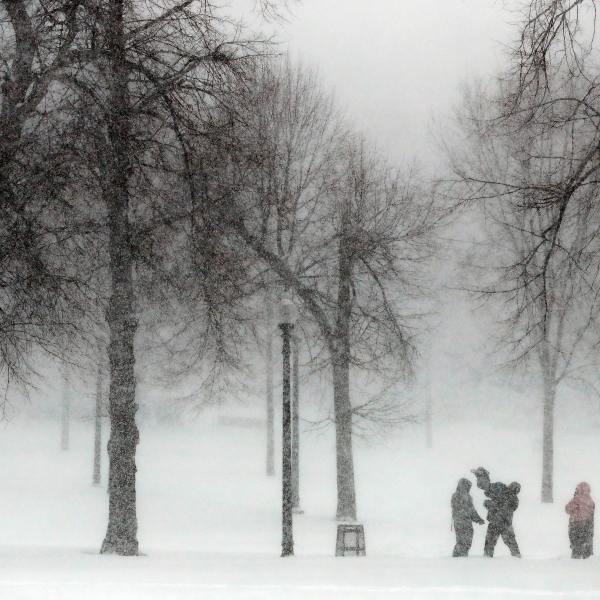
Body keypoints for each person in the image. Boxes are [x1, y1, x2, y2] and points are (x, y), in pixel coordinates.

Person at [471, 467, 521, 558]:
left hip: (497, 522)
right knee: (510, 543)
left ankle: (487, 560)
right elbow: (502, 504)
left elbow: (499, 504)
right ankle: (517, 558)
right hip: (505, 523)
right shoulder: (512, 498)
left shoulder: (501, 489)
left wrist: (489, 504)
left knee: (490, 544)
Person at [451, 478, 485, 557]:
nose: (469, 488)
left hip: (466, 522)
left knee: (467, 541)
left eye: (469, 486)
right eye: (467, 486)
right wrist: (471, 516)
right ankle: (457, 557)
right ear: (463, 486)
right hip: (461, 522)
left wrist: (478, 519)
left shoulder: (468, 496)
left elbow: (472, 510)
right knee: (462, 541)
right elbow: (460, 509)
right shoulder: (457, 495)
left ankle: (462, 557)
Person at [565, 482, 595, 559]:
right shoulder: (590, 501)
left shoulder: (576, 499)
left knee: (575, 540)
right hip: (587, 524)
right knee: (585, 539)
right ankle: (586, 554)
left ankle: (576, 555)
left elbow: (567, 509)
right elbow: (592, 514)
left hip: (575, 523)